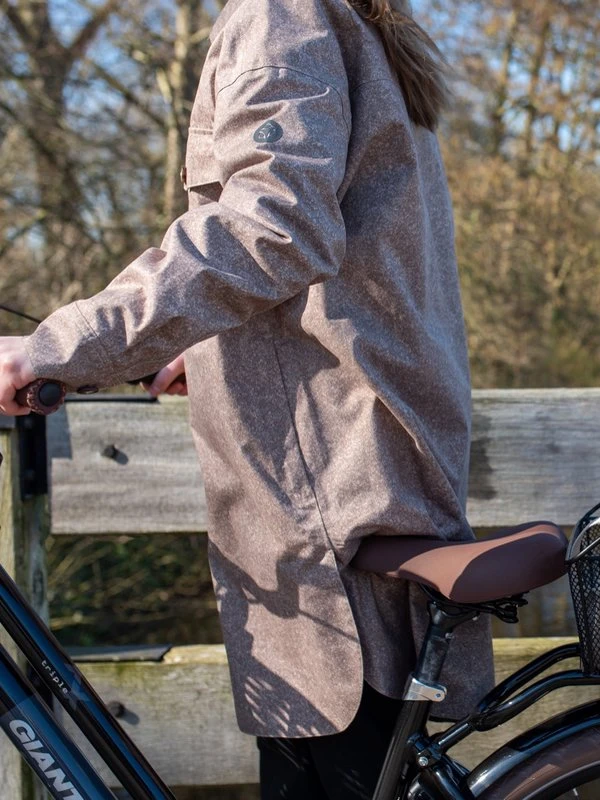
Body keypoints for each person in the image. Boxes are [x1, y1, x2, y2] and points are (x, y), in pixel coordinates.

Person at [0, 0, 493, 796]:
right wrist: (215, 350)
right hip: (360, 453)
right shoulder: (351, 22)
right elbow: (351, 259)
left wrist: (59, 346)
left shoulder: (281, 13)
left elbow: (277, 224)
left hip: (328, 491)